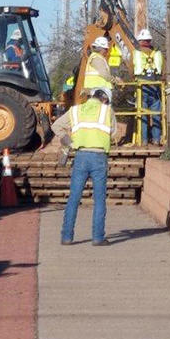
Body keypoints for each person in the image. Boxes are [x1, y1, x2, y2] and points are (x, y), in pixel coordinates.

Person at [60, 87, 117, 246]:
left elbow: (56, 126)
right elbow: (113, 132)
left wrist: (69, 141)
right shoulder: (107, 112)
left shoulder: (75, 111)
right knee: (99, 200)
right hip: (99, 157)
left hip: (81, 156)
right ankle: (98, 238)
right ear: (105, 99)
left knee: (74, 198)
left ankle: (66, 237)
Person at [133, 29, 163, 145]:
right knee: (156, 114)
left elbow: (133, 69)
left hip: (142, 87)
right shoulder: (157, 53)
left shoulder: (137, 52)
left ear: (140, 40)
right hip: (155, 86)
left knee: (142, 115)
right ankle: (156, 139)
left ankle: (143, 140)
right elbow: (162, 70)